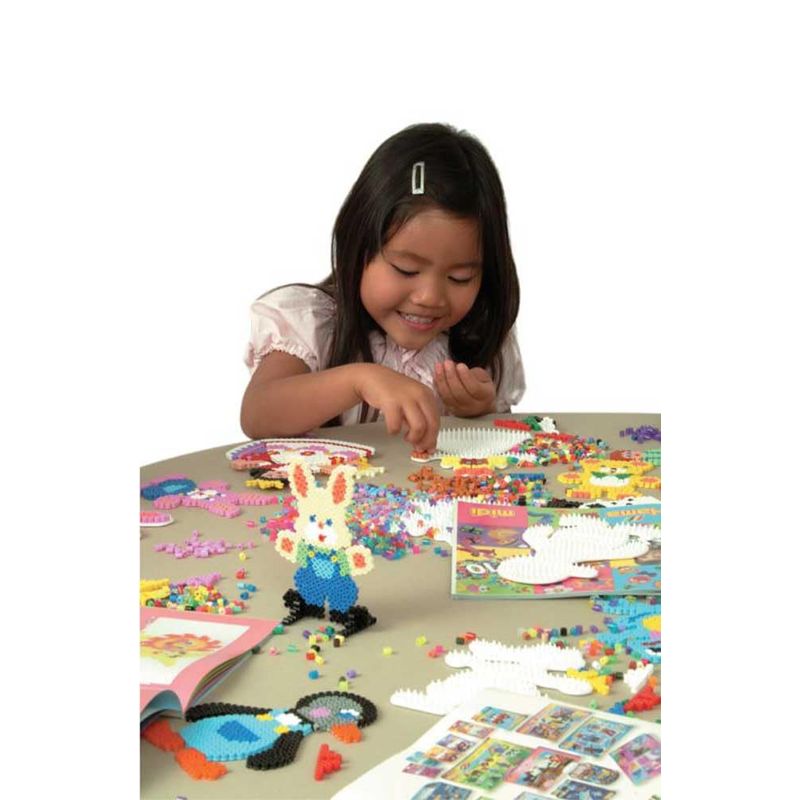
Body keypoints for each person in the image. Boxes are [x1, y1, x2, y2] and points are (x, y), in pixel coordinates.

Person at [241, 122, 525, 452]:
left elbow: (505, 457)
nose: (430, 297)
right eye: (406, 270)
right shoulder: (314, 324)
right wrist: (359, 380)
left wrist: (479, 411)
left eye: (460, 277)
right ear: (357, 248)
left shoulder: (477, 336)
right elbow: (257, 414)